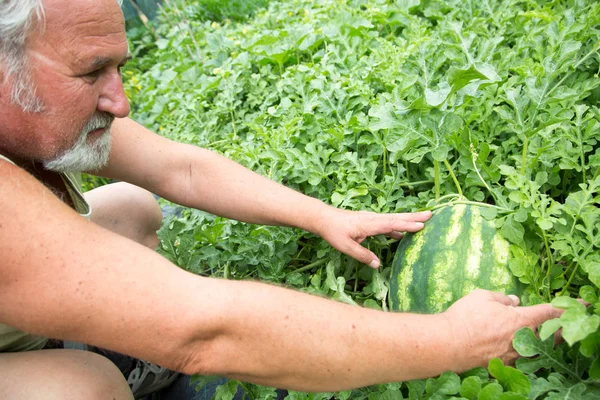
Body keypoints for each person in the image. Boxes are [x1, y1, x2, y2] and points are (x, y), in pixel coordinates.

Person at [0, 0, 564, 399]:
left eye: (119, 65)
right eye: (92, 70)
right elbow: (205, 332)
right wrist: (452, 341)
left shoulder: (38, 106)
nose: (120, 103)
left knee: (133, 207)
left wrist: (323, 215)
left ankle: (100, 349)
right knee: (80, 389)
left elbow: (182, 168)